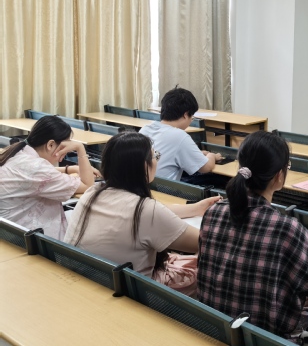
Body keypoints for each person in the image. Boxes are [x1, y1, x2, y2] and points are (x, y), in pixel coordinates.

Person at [198, 131, 308, 343]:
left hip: (216, 331)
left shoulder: (213, 212)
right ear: (279, 176)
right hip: (265, 339)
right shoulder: (285, 229)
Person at [65, 132, 220, 295]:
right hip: (136, 294)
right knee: (205, 265)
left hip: (93, 282)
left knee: (178, 259)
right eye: (155, 156)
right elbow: (205, 241)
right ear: (144, 166)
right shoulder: (145, 210)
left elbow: (154, 212)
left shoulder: (93, 192)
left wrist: (194, 208)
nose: (157, 160)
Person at [0, 116, 96, 240]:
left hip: (10, 231)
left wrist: (69, 169)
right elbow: (87, 185)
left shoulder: (18, 151)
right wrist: (80, 148)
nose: (65, 152)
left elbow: (31, 175)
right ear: (50, 145)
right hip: (28, 238)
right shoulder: (38, 168)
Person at [139, 87, 222, 183]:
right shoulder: (179, 136)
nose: (191, 120)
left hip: (144, 186)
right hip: (165, 189)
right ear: (185, 115)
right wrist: (212, 156)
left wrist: (198, 153)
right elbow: (206, 167)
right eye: (192, 117)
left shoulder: (145, 129)